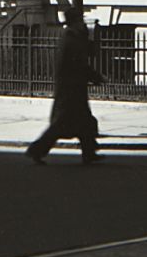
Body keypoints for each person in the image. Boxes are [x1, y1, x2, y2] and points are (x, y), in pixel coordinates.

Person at [26, 13, 103, 164]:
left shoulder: (71, 37)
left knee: (84, 123)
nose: (82, 23)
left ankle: (89, 153)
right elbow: (78, 65)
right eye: (80, 20)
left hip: (72, 89)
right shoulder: (70, 40)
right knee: (60, 126)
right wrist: (95, 77)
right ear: (74, 22)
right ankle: (36, 150)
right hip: (70, 91)